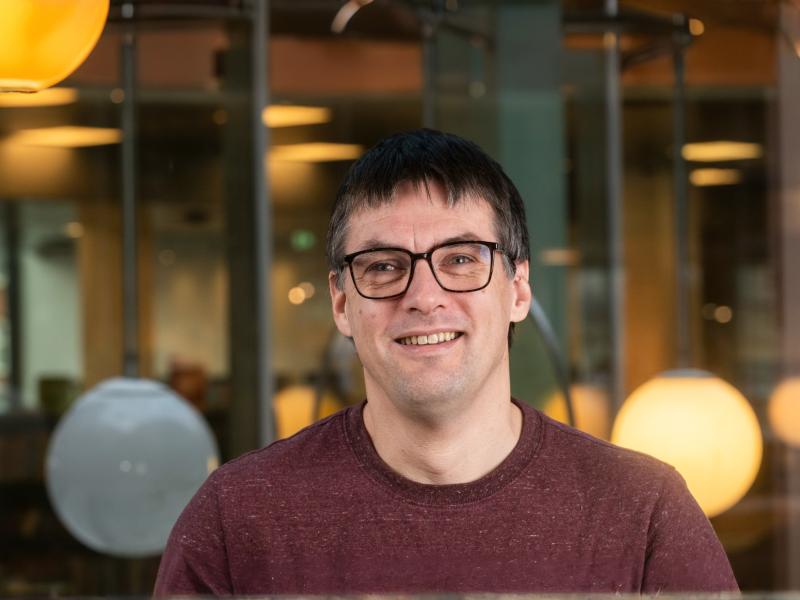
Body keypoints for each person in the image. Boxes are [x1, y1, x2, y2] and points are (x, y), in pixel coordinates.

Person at [154, 129, 739, 595]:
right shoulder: (238, 518)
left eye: (460, 259)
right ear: (341, 302)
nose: (424, 296)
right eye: (383, 266)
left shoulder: (643, 511)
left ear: (518, 288)